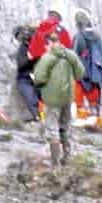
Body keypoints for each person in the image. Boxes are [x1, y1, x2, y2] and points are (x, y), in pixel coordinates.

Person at [34, 36, 84, 164]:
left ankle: (55, 163)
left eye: (46, 44)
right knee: (65, 128)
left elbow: (39, 78)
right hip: (68, 98)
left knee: (52, 129)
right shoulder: (71, 55)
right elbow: (80, 74)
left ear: (50, 43)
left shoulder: (47, 58)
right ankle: (67, 157)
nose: (45, 47)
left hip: (52, 100)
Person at [72, 7, 102, 117]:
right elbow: (101, 55)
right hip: (95, 73)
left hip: (81, 73)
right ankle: (94, 113)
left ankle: (80, 113)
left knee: (78, 93)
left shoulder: (78, 36)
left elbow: (74, 56)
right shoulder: (97, 36)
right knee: (93, 94)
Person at [12, 23, 41, 121]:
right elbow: (21, 64)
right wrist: (30, 58)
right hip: (25, 78)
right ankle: (38, 117)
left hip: (39, 76)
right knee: (31, 97)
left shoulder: (41, 45)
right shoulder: (23, 48)